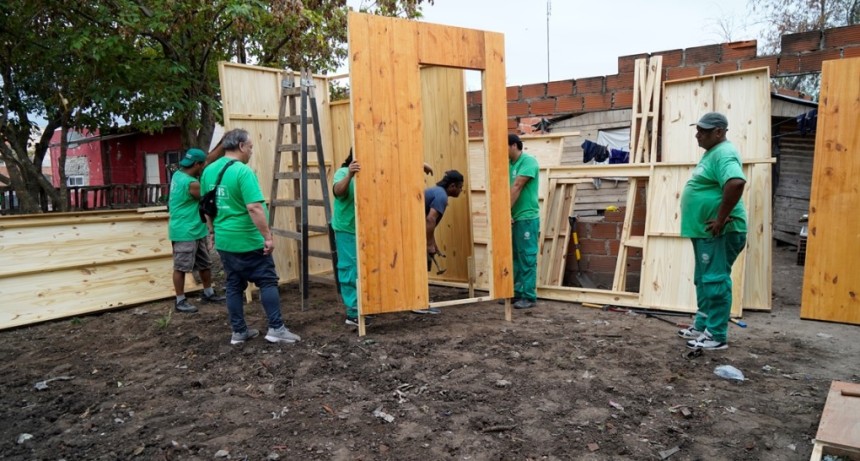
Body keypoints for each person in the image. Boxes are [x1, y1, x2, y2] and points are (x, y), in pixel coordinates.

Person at [200, 128, 301, 345]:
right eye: (251, 147)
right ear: (241, 146)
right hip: (247, 239)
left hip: (225, 241)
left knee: (234, 285)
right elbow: (254, 207)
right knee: (267, 280)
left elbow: (206, 207)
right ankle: (276, 328)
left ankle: (239, 332)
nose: (251, 152)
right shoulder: (242, 172)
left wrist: (212, 231)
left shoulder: (208, 171)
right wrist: (268, 237)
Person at [332, 149, 434, 325]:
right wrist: (350, 174)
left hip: (369, 228)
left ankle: (368, 306)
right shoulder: (342, 172)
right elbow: (338, 191)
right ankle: (353, 313)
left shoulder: (373, 174)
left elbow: (395, 169)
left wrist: (417, 166)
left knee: (371, 267)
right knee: (350, 269)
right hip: (346, 229)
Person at [678, 112, 747, 351]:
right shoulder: (712, 153)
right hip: (706, 232)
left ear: (719, 132)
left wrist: (720, 219)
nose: (697, 135)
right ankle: (703, 325)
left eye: (703, 131)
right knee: (703, 280)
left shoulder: (725, 153)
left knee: (715, 280)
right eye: (697, 130)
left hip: (719, 231)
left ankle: (716, 334)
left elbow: (736, 182)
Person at [168, 148, 226, 313]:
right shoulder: (191, 184)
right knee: (181, 267)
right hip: (184, 231)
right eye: (202, 165)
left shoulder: (179, 174)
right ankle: (180, 301)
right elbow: (208, 197)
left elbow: (206, 161)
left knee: (205, 263)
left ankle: (208, 292)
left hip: (197, 228)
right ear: (197, 165)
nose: (204, 167)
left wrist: (221, 147)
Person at [412, 170, 465, 315]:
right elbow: (430, 220)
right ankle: (419, 303)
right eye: (460, 187)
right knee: (420, 267)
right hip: (413, 233)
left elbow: (430, 223)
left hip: (414, 231)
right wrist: (428, 244)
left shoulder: (437, 192)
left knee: (420, 267)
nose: (461, 190)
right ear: (453, 186)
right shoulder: (441, 196)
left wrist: (432, 242)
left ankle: (418, 301)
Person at [508, 134, 540, 309]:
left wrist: (505, 211)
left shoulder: (529, 162)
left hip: (527, 217)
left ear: (513, 145)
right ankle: (517, 292)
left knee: (527, 256)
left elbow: (517, 186)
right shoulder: (509, 164)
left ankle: (529, 296)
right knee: (514, 257)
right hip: (513, 217)